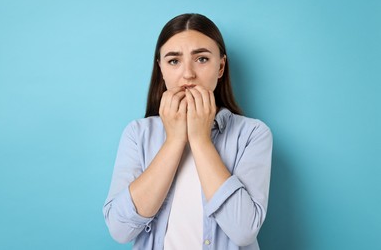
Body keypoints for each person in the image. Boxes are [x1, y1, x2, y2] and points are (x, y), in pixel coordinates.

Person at [103, 13, 273, 250]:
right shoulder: (137, 134)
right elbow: (120, 230)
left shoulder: (253, 134)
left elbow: (244, 231)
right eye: (174, 61)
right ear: (160, 68)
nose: (188, 74)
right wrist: (174, 140)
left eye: (202, 59)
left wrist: (200, 139)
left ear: (221, 66)